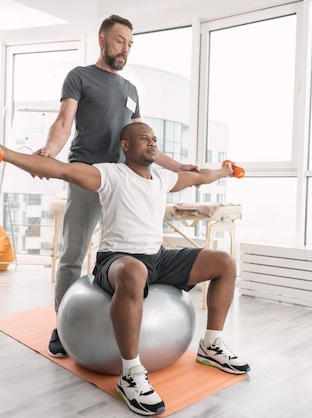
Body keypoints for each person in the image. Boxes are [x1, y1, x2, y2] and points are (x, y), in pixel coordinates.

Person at [0, 122, 250, 416]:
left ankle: (211, 346)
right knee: (134, 272)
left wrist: (226, 171)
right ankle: (130, 374)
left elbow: (198, 178)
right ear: (125, 146)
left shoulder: (163, 178)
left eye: (154, 139)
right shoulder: (111, 173)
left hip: (158, 257)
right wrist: (3, 152)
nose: (152, 143)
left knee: (223, 263)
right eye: (144, 139)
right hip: (117, 259)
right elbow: (63, 170)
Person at [33, 14, 198, 358]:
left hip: (124, 182)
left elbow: (141, 139)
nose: (126, 49)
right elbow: (64, 121)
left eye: (130, 44)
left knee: (126, 254)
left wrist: (176, 165)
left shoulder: (130, 90)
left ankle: (118, 316)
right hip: (89, 176)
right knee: (73, 254)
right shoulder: (80, 77)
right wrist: (50, 151)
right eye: (120, 41)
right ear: (102, 40)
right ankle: (63, 325)